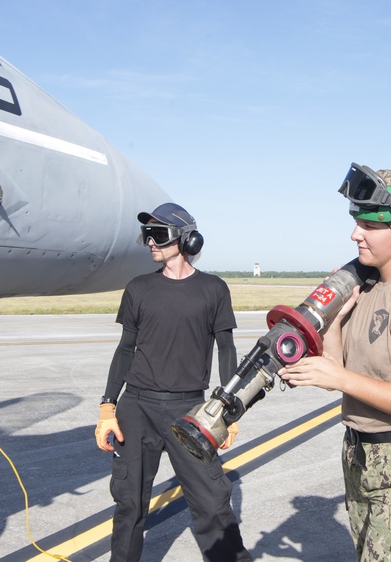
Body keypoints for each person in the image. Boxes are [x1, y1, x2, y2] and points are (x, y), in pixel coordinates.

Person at [279, 164, 391, 561]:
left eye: (368, 225)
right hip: (365, 462)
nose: (354, 234)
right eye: (355, 222)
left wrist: (340, 376)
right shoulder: (368, 288)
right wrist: (335, 319)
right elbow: (339, 373)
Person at [94, 202, 252, 562]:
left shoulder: (214, 289)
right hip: (137, 408)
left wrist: (227, 413)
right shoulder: (138, 288)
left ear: (187, 239)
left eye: (159, 234)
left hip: (190, 411)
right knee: (130, 505)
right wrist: (108, 407)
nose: (150, 242)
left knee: (213, 504)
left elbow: (226, 350)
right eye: (147, 235)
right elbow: (124, 351)